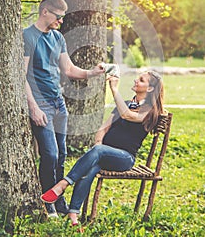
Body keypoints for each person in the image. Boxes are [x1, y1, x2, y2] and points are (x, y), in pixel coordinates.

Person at [40, 70, 165, 226]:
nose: (135, 80)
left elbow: (128, 116)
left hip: (125, 158)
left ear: (150, 89)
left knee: (98, 153)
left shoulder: (151, 111)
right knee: (91, 168)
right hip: (104, 154)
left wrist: (114, 88)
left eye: (141, 80)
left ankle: (63, 184)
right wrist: (98, 144)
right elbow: (104, 128)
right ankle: (73, 214)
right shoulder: (125, 103)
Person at [23, 0, 104, 217]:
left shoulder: (58, 38)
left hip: (59, 103)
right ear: (45, 12)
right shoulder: (27, 36)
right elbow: (21, 76)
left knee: (61, 154)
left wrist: (92, 73)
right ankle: (46, 201)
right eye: (58, 17)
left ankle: (57, 200)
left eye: (63, 18)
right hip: (41, 105)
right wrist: (33, 108)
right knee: (49, 154)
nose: (61, 22)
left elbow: (68, 70)